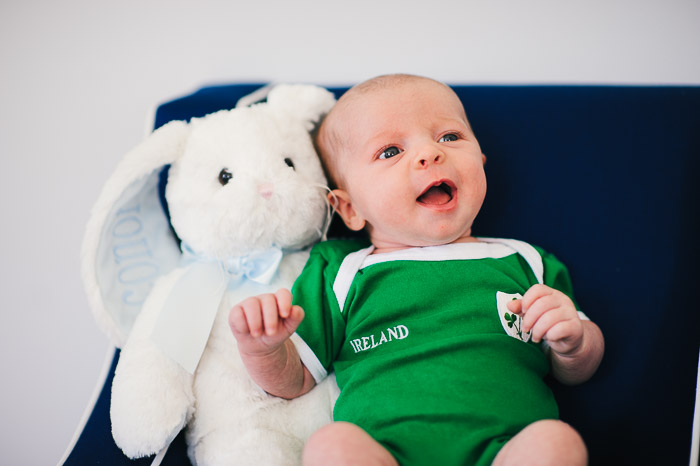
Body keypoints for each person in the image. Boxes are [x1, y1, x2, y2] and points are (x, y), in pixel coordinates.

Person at [228, 74, 605, 466]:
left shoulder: (524, 260)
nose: (429, 154)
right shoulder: (342, 272)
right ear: (350, 208)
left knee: (557, 442)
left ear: (481, 163)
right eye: (390, 151)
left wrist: (575, 342)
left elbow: (578, 369)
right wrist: (262, 347)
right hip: (386, 454)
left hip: (505, 450)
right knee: (331, 446)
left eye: (449, 138)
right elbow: (295, 378)